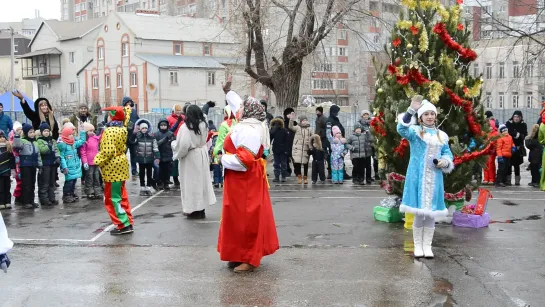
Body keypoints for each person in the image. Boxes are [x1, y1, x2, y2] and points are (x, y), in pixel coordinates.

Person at [218, 97, 279, 273]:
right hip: (241, 181)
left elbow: (244, 161)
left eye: (243, 106)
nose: (240, 108)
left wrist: (224, 159)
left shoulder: (249, 129)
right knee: (237, 218)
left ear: (250, 110)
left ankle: (248, 257)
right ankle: (238, 254)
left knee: (246, 218)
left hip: (244, 181)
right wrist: (227, 91)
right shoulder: (250, 125)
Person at [397, 96, 454, 258]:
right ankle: (418, 246)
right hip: (417, 177)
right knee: (419, 213)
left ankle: (427, 246)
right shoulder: (415, 132)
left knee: (430, 214)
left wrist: (444, 162)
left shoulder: (441, 135)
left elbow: (447, 154)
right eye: (426, 114)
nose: (430, 117)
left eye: (432, 114)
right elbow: (401, 129)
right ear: (421, 117)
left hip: (435, 179)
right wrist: (410, 110)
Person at [94, 106, 134, 235]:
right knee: (121, 196)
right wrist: (127, 110)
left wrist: (96, 160)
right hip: (121, 164)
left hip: (112, 168)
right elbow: (126, 119)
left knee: (112, 198)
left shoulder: (109, 131)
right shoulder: (122, 129)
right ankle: (128, 221)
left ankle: (122, 224)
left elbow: (108, 151)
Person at [172, 105, 216, 219]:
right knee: (200, 183)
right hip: (201, 154)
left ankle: (192, 210)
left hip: (190, 157)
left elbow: (183, 145)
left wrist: (174, 147)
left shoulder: (186, 127)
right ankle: (201, 209)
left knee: (191, 184)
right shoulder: (203, 125)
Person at [13, 123, 42, 209]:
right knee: (26, 184)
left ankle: (31, 200)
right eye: (30, 132)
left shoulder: (35, 142)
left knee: (32, 183)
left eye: (33, 132)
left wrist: (40, 165)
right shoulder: (23, 141)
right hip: (25, 165)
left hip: (33, 165)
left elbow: (38, 155)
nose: (32, 134)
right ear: (25, 133)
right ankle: (25, 201)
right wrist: (17, 136)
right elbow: (16, 146)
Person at [58, 125, 88, 203]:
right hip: (68, 167)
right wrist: (64, 167)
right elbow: (62, 157)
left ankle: (71, 193)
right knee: (69, 181)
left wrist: (82, 131)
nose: (72, 135)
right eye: (70, 134)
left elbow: (82, 141)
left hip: (75, 166)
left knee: (74, 181)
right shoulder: (63, 145)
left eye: (72, 134)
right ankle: (66, 195)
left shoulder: (73, 143)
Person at [130, 119, 160, 196]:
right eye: (142, 128)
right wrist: (134, 133)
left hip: (149, 159)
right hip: (140, 159)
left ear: (148, 129)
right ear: (140, 129)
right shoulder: (137, 136)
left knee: (149, 173)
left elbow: (155, 147)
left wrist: (157, 157)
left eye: (145, 128)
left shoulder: (152, 137)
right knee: (142, 173)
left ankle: (149, 187)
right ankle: (142, 187)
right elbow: (131, 141)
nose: (144, 130)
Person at [36, 123, 60, 206]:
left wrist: (58, 157)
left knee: (51, 182)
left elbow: (56, 149)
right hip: (45, 164)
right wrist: (48, 146)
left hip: (52, 164)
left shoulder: (52, 140)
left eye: (48, 131)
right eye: (44, 131)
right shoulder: (39, 140)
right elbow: (42, 150)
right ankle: (44, 199)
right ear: (41, 132)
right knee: (45, 182)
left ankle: (52, 198)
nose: (46, 132)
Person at [326, 105, 351, 180]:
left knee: (340, 158)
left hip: (339, 143)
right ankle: (332, 173)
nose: (338, 113)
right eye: (337, 111)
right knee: (334, 159)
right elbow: (329, 132)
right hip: (334, 143)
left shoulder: (335, 119)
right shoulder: (330, 120)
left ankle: (341, 173)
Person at [505, 111, 528, 186]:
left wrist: (518, 135)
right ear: (513, 117)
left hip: (518, 148)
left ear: (520, 117)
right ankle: (508, 180)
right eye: (515, 117)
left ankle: (517, 180)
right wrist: (515, 134)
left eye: (518, 117)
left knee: (516, 164)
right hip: (509, 147)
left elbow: (524, 135)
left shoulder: (523, 124)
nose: (516, 118)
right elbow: (507, 133)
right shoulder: (509, 123)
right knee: (509, 164)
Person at [80, 123, 102, 199]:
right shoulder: (85, 141)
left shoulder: (95, 138)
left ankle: (97, 191)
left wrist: (101, 130)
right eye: (90, 131)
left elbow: (100, 137)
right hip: (89, 162)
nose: (92, 132)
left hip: (96, 161)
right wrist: (85, 162)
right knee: (89, 177)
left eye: (93, 130)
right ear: (86, 132)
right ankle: (89, 191)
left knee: (96, 177)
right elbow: (83, 153)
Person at [288, 113, 312, 184]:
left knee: (306, 163)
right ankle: (299, 176)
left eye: (305, 120)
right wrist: (291, 119)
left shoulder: (309, 129)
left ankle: (305, 177)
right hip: (297, 148)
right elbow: (290, 127)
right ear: (300, 121)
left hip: (306, 148)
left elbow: (313, 137)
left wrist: (311, 145)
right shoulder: (297, 127)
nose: (304, 122)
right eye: (303, 120)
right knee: (297, 162)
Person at [155, 119, 176, 191]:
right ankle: (160, 182)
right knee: (160, 170)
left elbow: (174, 142)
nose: (163, 126)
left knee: (168, 170)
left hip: (168, 154)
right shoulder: (156, 134)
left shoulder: (170, 133)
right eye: (162, 125)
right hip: (159, 154)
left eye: (165, 125)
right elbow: (156, 144)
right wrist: (164, 140)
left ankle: (166, 182)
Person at [122, 96, 140, 176]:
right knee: (123, 154)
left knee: (134, 154)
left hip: (133, 136)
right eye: (127, 102)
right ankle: (122, 169)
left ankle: (134, 170)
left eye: (130, 102)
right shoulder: (122, 111)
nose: (129, 104)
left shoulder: (134, 111)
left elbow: (137, 120)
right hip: (124, 137)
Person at [269, 117, 289, 183]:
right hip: (276, 149)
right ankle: (277, 177)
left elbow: (287, 141)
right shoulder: (273, 130)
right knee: (277, 164)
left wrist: (287, 150)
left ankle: (283, 176)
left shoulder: (284, 130)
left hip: (282, 150)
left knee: (282, 164)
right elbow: (270, 138)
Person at [315, 106, 331, 179]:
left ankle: (329, 171)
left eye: (318, 111)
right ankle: (321, 173)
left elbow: (326, 129)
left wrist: (322, 135)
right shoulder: (317, 118)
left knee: (325, 155)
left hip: (323, 139)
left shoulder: (324, 118)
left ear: (321, 111)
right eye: (316, 111)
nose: (316, 112)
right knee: (320, 156)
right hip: (319, 138)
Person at [9, 122, 22, 206]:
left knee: (23, 180)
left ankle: (21, 196)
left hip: (22, 161)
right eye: (17, 130)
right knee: (19, 180)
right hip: (16, 162)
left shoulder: (23, 139)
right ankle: (17, 196)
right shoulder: (12, 140)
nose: (19, 131)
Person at [482, 120, 499, 185]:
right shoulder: (485, 133)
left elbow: (496, 143)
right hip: (485, 151)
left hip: (491, 152)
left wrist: (491, 145)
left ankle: (492, 178)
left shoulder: (495, 133)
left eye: (490, 126)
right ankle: (486, 178)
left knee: (491, 164)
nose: (489, 127)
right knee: (485, 165)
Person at [0, 131, 13, 209]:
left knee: (7, 187)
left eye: (2, 137)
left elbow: (12, 160)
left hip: (7, 171)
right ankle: (1, 202)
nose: (1, 139)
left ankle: (7, 202)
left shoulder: (8, 148)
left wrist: (13, 170)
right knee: (0, 188)